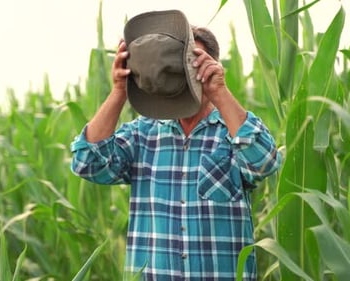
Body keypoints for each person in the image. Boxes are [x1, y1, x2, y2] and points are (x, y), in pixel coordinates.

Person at [70, 9, 282, 280]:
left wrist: (219, 91)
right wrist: (119, 92)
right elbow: (87, 163)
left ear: (214, 65)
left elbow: (265, 162)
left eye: (194, 63)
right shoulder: (142, 136)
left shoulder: (232, 134)